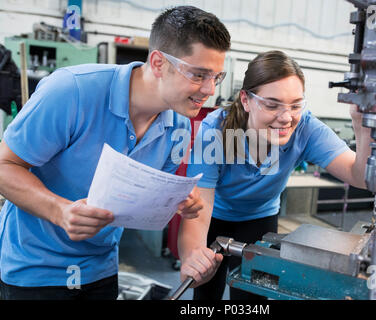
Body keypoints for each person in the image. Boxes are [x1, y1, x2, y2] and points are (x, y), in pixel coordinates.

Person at [0, 6, 230, 300]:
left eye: (216, 77)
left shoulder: (179, 126)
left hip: (101, 269)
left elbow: (149, 198)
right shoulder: (72, 91)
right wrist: (60, 211)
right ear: (159, 63)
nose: (209, 89)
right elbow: (4, 165)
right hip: (36, 269)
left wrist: (177, 208)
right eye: (199, 75)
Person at [178, 50, 372, 300]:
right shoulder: (215, 132)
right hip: (215, 217)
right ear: (246, 100)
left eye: (295, 105)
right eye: (272, 105)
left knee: (252, 297)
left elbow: (361, 177)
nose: (286, 117)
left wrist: (362, 127)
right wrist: (192, 257)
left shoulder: (306, 129)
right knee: (206, 294)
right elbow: (199, 207)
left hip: (260, 218)